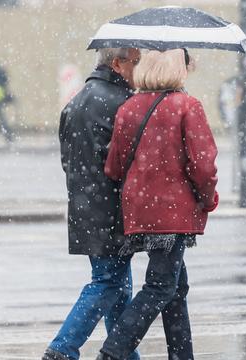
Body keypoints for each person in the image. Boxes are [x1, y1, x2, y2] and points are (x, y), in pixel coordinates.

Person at [96, 49, 219, 360]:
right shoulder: (187, 106)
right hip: (174, 214)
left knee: (176, 289)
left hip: (141, 212)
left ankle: (182, 355)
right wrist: (208, 199)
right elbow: (202, 165)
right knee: (160, 287)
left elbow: (114, 167)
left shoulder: (129, 107)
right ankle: (112, 352)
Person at [43, 47, 142, 360]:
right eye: (135, 62)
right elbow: (127, 163)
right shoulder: (121, 103)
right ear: (117, 63)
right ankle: (63, 348)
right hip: (111, 210)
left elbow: (66, 161)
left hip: (85, 208)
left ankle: (122, 354)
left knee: (117, 287)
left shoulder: (78, 100)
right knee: (108, 283)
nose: (139, 69)